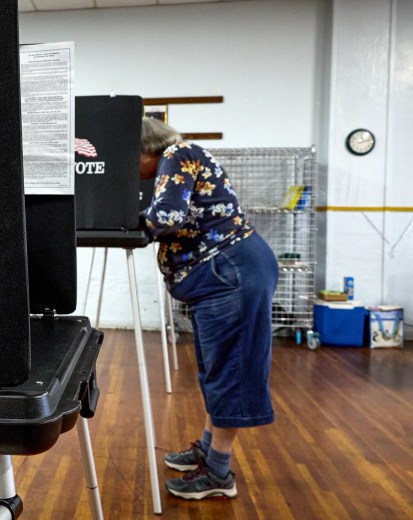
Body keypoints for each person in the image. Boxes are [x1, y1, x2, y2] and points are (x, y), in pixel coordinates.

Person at [139, 117, 279, 500]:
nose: (134, 170)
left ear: (146, 147)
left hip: (230, 272)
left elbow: (167, 218)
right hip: (227, 272)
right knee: (216, 369)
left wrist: (125, 222)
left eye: (132, 159)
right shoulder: (183, 155)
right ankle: (206, 447)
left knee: (229, 370)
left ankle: (218, 472)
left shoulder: (177, 153)